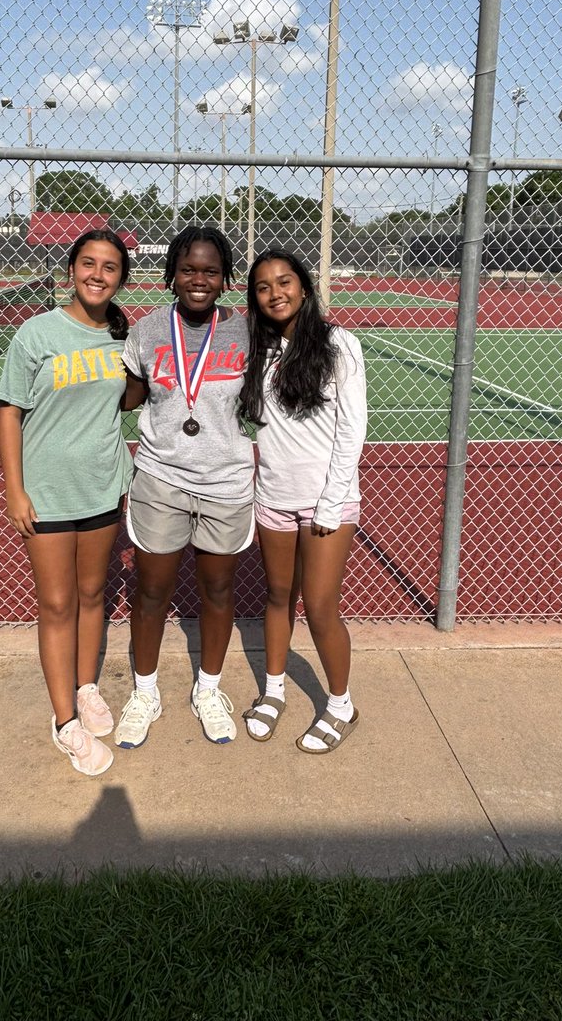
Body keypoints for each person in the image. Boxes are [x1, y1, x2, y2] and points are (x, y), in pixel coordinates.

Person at [0, 229, 133, 777]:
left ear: (121, 277)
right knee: (56, 605)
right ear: (71, 269)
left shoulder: (122, 337)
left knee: (93, 592)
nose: (98, 275)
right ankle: (63, 723)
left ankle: (86, 688)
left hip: (102, 484)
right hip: (48, 492)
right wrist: (15, 489)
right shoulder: (37, 334)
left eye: (109, 267)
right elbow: (10, 413)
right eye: (88, 264)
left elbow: (132, 396)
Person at [114, 225, 254, 749]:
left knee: (218, 591)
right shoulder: (148, 331)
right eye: (190, 269)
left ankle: (209, 689)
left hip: (226, 482)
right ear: (172, 274)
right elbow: (127, 398)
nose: (200, 279)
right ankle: (145, 693)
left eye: (211, 271)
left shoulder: (246, 332)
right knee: (152, 592)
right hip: (161, 479)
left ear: (225, 279)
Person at [239, 248, 367, 754]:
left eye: (285, 281)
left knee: (318, 606)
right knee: (276, 598)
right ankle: (273, 692)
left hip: (325, 503)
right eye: (264, 286)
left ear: (305, 287)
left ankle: (341, 706)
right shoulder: (257, 348)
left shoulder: (339, 345)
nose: (276, 293)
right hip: (272, 497)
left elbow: (352, 429)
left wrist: (331, 501)